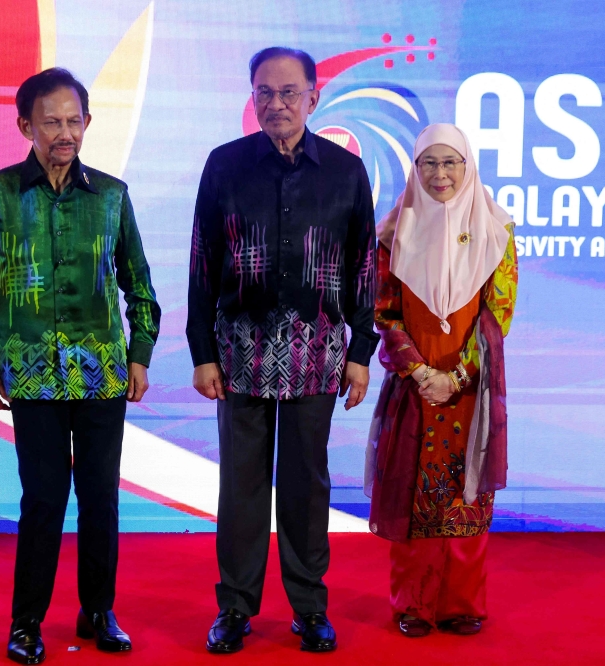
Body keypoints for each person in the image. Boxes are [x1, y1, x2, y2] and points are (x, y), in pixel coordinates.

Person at [0, 68, 160, 664]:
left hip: (102, 375)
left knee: (101, 499)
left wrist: (139, 354)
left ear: (87, 124)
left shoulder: (113, 197)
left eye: (74, 121)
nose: (64, 133)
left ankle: (98, 611)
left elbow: (140, 287)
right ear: (26, 126)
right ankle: (26, 622)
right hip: (32, 377)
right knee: (42, 498)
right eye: (51, 122)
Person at [186, 47, 379, 653]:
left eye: (289, 92)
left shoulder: (346, 173)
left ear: (314, 98)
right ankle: (236, 609)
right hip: (239, 353)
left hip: (317, 354)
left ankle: (309, 607)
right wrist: (202, 351)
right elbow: (201, 264)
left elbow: (363, 267)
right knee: (240, 488)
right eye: (264, 92)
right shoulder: (224, 166)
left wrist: (360, 349)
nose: (276, 103)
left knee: (306, 485)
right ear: (252, 96)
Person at [364, 123, 517, 637]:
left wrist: (457, 376)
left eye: (451, 162)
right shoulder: (391, 235)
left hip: (470, 391)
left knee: (466, 500)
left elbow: (497, 316)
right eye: (428, 162)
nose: (440, 173)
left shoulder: (498, 233)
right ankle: (414, 604)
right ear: (414, 169)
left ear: (468, 167)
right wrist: (422, 372)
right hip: (415, 388)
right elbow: (384, 313)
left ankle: (461, 604)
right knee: (414, 498)